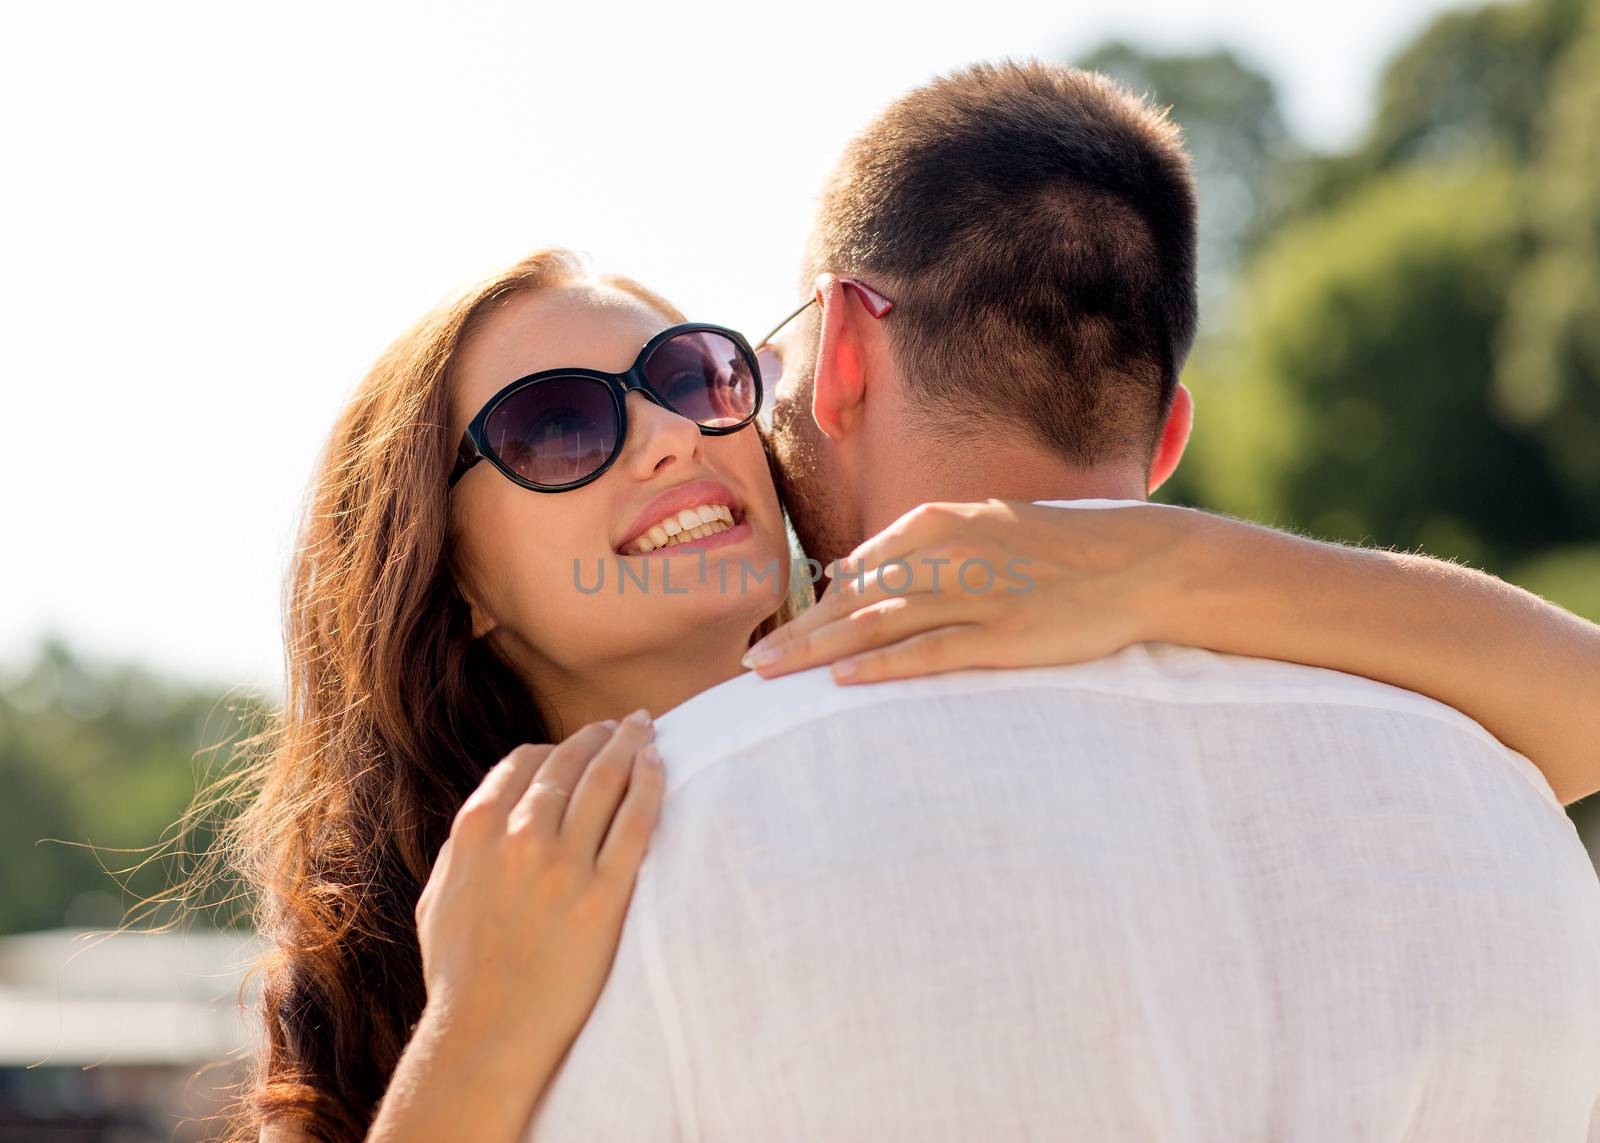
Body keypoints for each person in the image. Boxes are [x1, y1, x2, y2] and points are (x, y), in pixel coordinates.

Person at [228, 69, 1600, 1143]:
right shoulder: (489, 937)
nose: (664, 437)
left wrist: (1150, 562)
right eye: (556, 424)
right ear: (446, 573)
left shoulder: (772, 816)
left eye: (696, 377)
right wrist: (474, 1034)